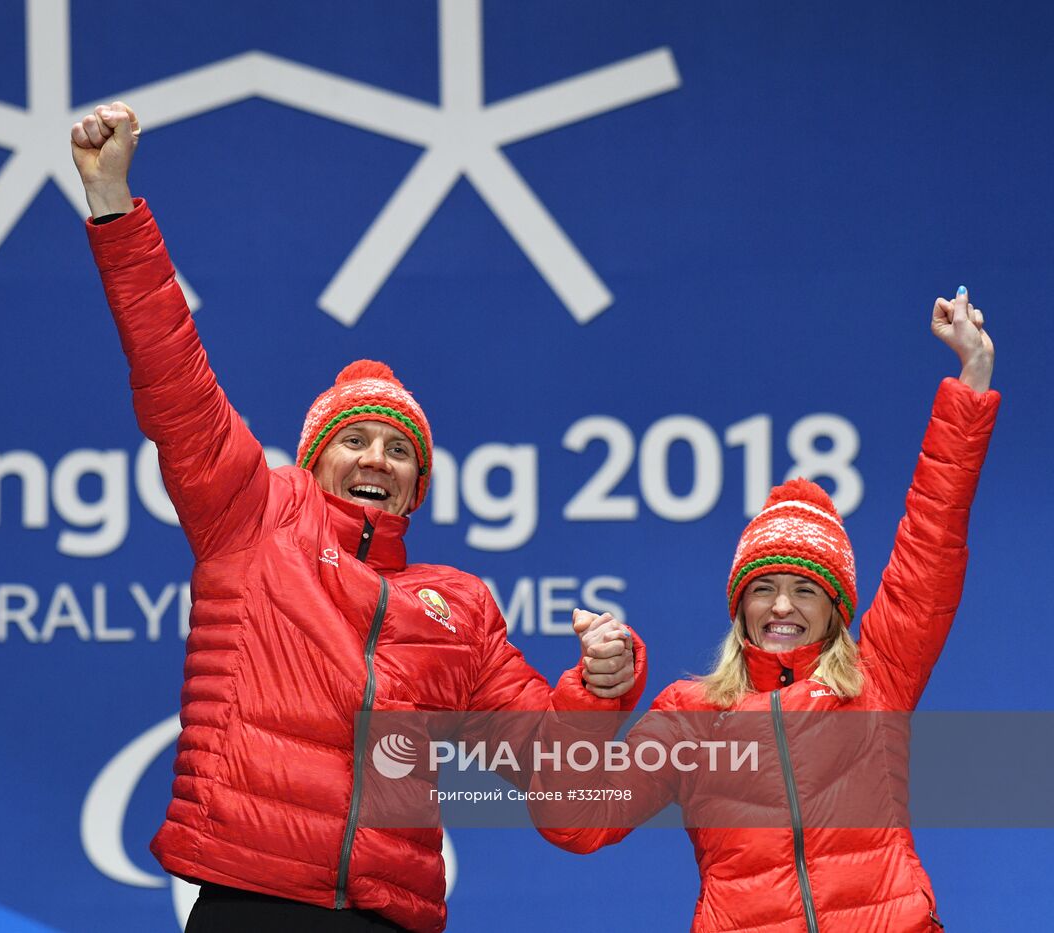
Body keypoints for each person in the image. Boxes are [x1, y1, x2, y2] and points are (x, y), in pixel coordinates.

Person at [70, 102, 648, 933]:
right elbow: (172, 373)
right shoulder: (253, 517)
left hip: (389, 915)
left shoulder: (458, 607)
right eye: (356, 440)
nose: (378, 458)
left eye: (399, 449)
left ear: (418, 487)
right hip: (252, 902)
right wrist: (115, 206)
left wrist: (601, 683)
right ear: (313, 461)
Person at [537, 290, 999, 931]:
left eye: (806, 589)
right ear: (740, 606)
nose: (782, 605)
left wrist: (970, 381)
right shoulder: (690, 716)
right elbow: (574, 819)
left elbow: (933, 537)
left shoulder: (875, 682)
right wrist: (592, 694)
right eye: (764, 587)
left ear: (836, 609)